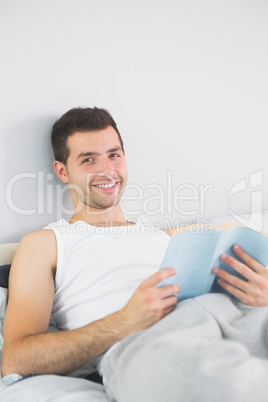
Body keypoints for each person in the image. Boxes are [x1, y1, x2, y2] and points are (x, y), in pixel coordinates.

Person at [2, 107, 268, 401]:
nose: (107, 170)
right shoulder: (46, 243)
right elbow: (16, 360)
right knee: (228, 384)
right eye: (89, 159)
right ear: (63, 171)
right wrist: (126, 320)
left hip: (235, 319)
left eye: (114, 155)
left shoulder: (168, 237)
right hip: (145, 345)